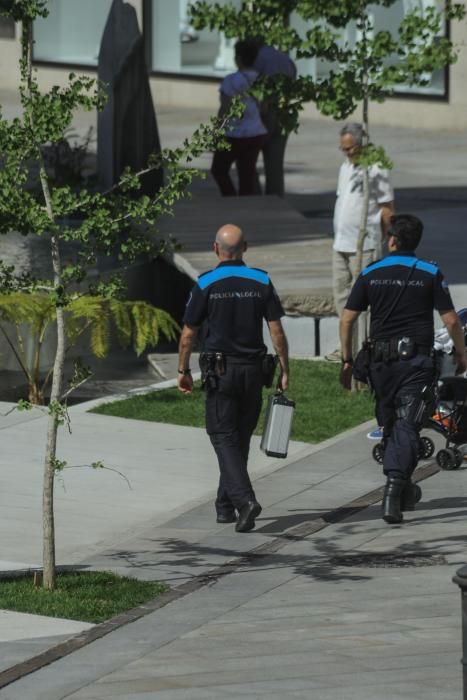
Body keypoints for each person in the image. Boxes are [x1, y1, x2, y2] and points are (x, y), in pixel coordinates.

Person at [340, 214, 467, 524]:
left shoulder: (371, 271)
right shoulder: (429, 272)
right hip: (415, 363)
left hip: (381, 365)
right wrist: (462, 353)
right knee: (407, 425)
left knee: (394, 425)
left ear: (391, 239)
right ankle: (394, 490)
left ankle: (402, 489)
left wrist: (346, 359)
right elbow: (451, 319)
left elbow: (347, 318)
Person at [177, 224, 289, 532]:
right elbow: (276, 330)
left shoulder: (206, 283)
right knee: (238, 438)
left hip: (221, 373)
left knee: (222, 436)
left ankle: (244, 501)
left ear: (215, 249)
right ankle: (225, 507)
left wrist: (183, 371)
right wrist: (285, 369)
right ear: (246, 248)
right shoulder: (261, 280)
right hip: (254, 371)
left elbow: (189, 333)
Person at [326, 122, 395, 361]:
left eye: (350, 148)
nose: (346, 153)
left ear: (361, 144)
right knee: (341, 297)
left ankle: (365, 348)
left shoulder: (376, 168)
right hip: (341, 243)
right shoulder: (345, 167)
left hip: (364, 244)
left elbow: (387, 207)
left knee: (364, 300)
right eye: (343, 149)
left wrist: (387, 237)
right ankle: (346, 346)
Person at [211, 41, 267, 196]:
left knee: (219, 170)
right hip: (256, 132)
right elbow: (265, 107)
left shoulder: (231, 80)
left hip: (234, 133)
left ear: (239, 58)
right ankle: (245, 205)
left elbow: (225, 108)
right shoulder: (261, 80)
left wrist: (217, 131)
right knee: (246, 174)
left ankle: (230, 197)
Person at [253, 43, 297, 197]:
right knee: (275, 165)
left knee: (248, 161)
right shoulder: (285, 59)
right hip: (284, 113)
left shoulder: (258, 59)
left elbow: (259, 87)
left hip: (265, 113)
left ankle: (254, 196)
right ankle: (275, 199)